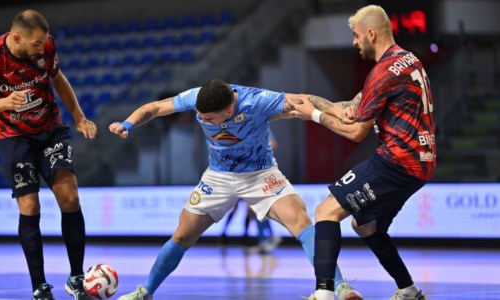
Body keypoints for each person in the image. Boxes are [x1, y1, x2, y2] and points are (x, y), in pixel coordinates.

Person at [109, 79, 363, 300]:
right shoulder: (196, 97)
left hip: (260, 174)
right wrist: (128, 124)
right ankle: (145, 291)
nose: (202, 121)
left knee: (300, 220)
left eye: (208, 119)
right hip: (218, 177)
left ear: (229, 110)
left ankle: (338, 287)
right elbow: (154, 108)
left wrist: (341, 110)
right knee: (182, 236)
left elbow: (306, 101)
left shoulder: (258, 101)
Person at [288, 5, 436, 300]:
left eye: (356, 35)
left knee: (325, 211)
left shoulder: (382, 73)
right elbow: (357, 109)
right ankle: (408, 291)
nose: (354, 42)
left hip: (397, 160)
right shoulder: (408, 60)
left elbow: (357, 132)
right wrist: (315, 105)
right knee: (366, 225)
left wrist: (315, 117)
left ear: (371, 33)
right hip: (422, 163)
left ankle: (325, 293)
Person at [0, 9, 97, 300]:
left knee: (70, 197)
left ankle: (77, 278)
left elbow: (58, 78)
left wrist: (78, 115)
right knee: (30, 206)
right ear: (16, 38)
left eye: (44, 42)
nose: (43, 47)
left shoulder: (46, 47)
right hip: (13, 137)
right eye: (36, 43)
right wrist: (3, 104)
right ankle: (40, 286)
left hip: (50, 129)